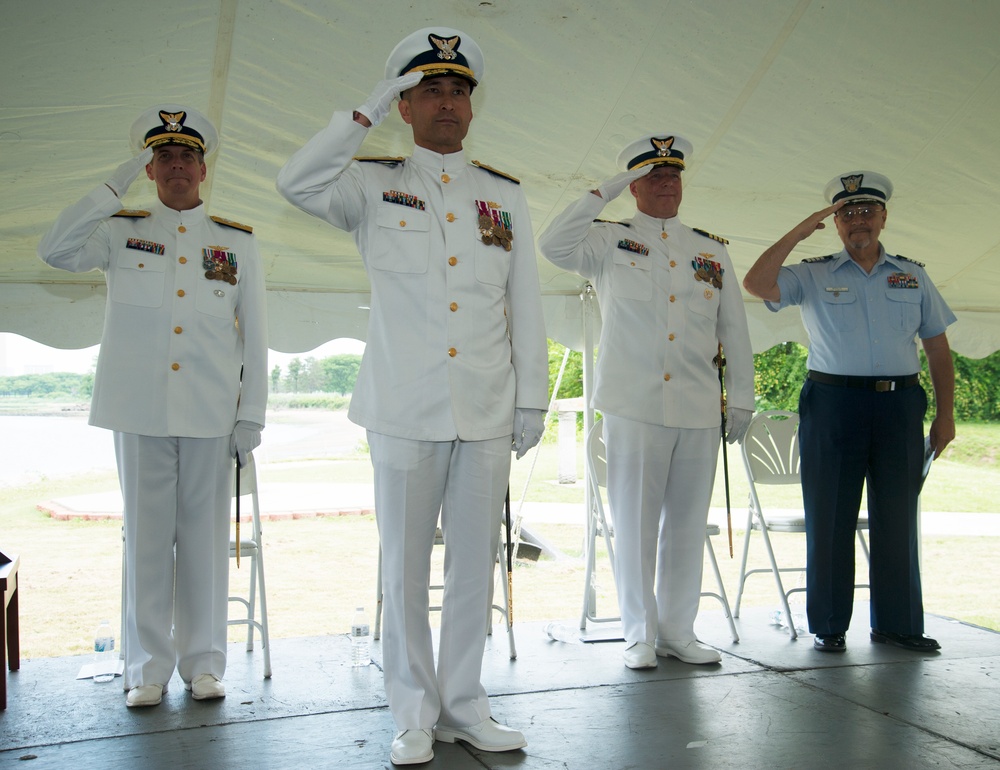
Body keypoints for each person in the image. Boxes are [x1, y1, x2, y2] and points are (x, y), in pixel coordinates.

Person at [276, 27, 548, 766]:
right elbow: (296, 184)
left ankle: (465, 705)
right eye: (431, 89)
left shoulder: (505, 195)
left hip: (487, 407)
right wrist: (363, 112)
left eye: (459, 90)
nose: (449, 103)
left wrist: (534, 399)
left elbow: (526, 302)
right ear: (406, 104)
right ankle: (412, 714)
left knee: (473, 567)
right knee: (404, 569)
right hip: (403, 408)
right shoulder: (368, 183)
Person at [37, 105, 268, 706]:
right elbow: (55, 249)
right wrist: (113, 185)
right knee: (145, 540)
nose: (175, 166)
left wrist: (252, 415)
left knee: (204, 541)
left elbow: (256, 334)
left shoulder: (235, 243)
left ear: (203, 166)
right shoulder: (119, 229)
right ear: (149, 167)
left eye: (186, 156)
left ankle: (204, 664)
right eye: (163, 156)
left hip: (212, 413)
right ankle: (145, 668)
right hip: (139, 410)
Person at [538, 134, 755, 671]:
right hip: (634, 405)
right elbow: (552, 245)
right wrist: (605, 191)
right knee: (634, 523)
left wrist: (742, 399)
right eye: (654, 176)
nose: (666, 184)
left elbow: (736, 330)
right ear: (634, 185)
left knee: (686, 524)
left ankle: (679, 630)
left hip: (699, 407)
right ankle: (638, 633)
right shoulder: (608, 240)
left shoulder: (711, 250)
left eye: (673, 175)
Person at [742, 170, 956, 653]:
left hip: (901, 403)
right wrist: (799, 232)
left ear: (884, 217)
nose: (859, 220)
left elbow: (938, 347)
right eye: (848, 213)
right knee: (831, 515)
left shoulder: (912, 274)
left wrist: (946, 415)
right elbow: (756, 283)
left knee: (899, 517)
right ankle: (830, 625)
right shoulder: (812, 272)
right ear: (834, 223)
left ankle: (898, 625)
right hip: (834, 404)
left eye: (867, 211)